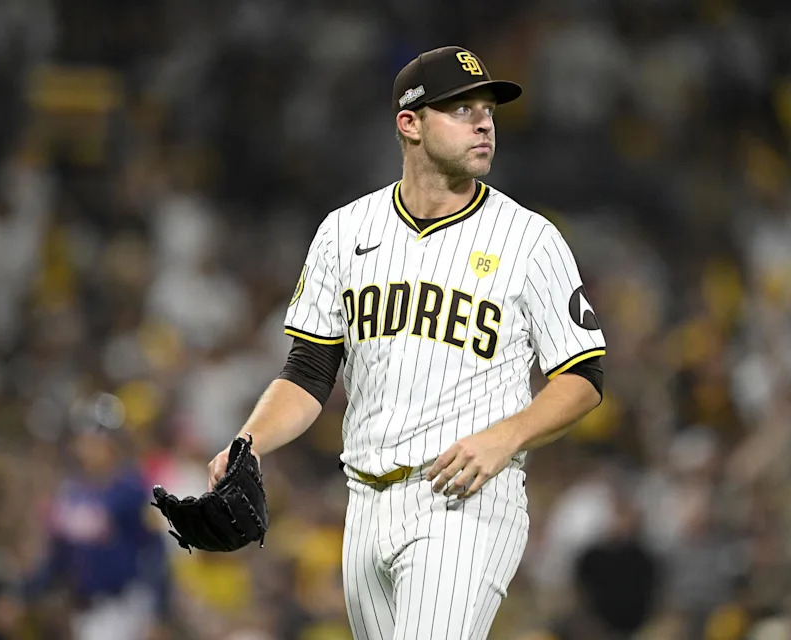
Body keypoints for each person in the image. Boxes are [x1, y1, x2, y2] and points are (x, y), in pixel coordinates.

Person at [208, 45, 606, 640]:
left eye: (488, 111)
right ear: (410, 123)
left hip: (468, 498)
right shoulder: (346, 232)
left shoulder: (531, 239)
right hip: (365, 503)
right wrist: (248, 442)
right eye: (461, 109)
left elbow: (583, 378)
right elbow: (310, 370)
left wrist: (507, 436)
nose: (483, 123)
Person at [25, 417, 170, 640]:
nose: (86, 449)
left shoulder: (131, 490)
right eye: (84, 441)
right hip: (86, 608)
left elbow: (155, 550)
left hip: (126, 607)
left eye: (94, 442)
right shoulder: (71, 493)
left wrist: (155, 613)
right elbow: (57, 557)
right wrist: (23, 594)